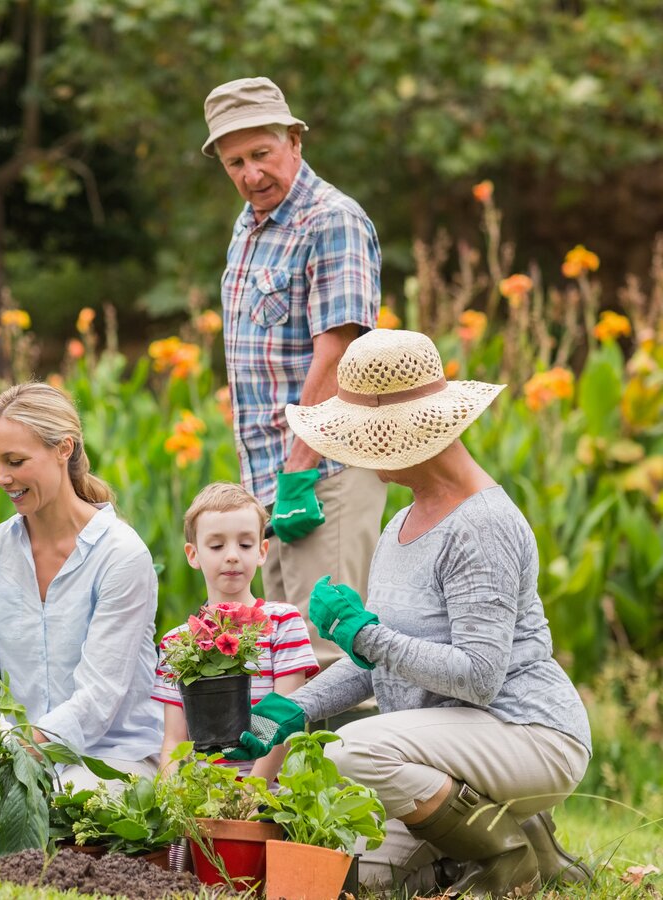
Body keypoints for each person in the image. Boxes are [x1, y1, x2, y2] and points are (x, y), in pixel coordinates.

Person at [227, 329, 593, 897]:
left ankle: (508, 856)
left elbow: (478, 675)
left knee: (351, 749)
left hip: (527, 731)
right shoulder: (402, 525)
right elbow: (376, 661)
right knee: (367, 874)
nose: (352, 452)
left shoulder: (482, 526)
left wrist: (366, 634)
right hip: (451, 746)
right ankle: (525, 838)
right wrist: (293, 710)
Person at [202, 76, 388, 669]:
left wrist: (298, 475)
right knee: (289, 659)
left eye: (262, 154)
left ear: (295, 142)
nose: (251, 174)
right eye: (235, 162)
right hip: (267, 480)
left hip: (323, 475)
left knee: (332, 652)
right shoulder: (248, 227)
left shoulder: (331, 221)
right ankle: (290, 768)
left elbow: (336, 353)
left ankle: (367, 765)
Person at [0, 382, 163, 790]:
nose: (2, 478)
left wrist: (17, 748)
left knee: (65, 804)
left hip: (111, 757)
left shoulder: (121, 555)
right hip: (20, 756)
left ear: (64, 449)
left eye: (15, 461)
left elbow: (99, 697)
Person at [153, 482, 318, 784]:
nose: (231, 556)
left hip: (274, 792)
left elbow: (287, 719)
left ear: (261, 551)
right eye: (216, 546)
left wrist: (253, 794)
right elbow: (174, 743)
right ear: (193, 554)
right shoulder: (177, 642)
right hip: (204, 793)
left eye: (244, 545)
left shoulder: (283, 622)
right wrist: (170, 803)